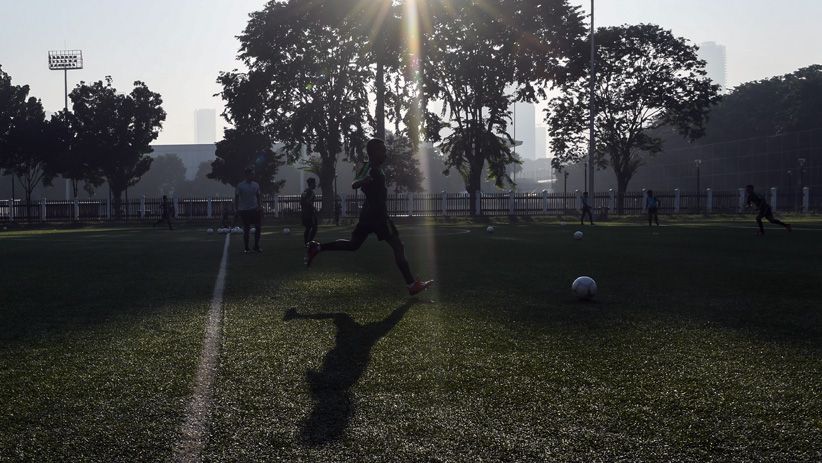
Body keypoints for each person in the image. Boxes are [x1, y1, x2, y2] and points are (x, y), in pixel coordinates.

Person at [305, 138, 433, 296]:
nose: (385, 153)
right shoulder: (369, 167)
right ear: (373, 153)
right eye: (382, 151)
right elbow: (355, 183)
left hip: (368, 214)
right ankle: (412, 284)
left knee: (353, 245)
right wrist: (363, 182)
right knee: (398, 246)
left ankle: (318, 247)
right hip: (378, 215)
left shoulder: (376, 168)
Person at [235, 167, 263, 253]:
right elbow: (236, 197)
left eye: (253, 174)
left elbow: (258, 196)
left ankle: (256, 246)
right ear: (247, 175)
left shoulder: (256, 185)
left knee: (258, 227)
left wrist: (259, 206)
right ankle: (246, 248)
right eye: (251, 174)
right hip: (244, 210)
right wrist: (237, 209)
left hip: (255, 209)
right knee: (246, 229)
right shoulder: (240, 185)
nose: (253, 175)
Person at [301, 178, 319, 246]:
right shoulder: (310, 192)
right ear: (311, 184)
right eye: (314, 183)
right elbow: (308, 201)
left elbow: (302, 201)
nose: (315, 185)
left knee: (308, 227)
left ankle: (307, 242)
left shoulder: (305, 191)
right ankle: (309, 242)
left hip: (305, 212)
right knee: (314, 227)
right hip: (309, 212)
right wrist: (314, 208)